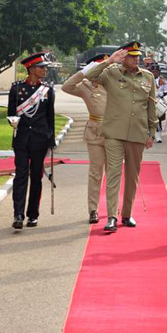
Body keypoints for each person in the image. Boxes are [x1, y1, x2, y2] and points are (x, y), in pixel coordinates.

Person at [84, 42, 157, 233]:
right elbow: (88, 75)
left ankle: (127, 214)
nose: (136, 59)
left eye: (138, 56)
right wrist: (108, 61)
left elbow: (151, 107)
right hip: (114, 133)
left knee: (132, 177)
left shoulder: (148, 77)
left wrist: (152, 133)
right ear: (123, 57)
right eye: (132, 56)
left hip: (137, 134)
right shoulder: (111, 73)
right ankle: (111, 217)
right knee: (114, 175)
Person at [7, 53, 56, 230]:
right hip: (21, 139)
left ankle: (32, 214)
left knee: (36, 177)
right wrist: (12, 121)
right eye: (41, 67)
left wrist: (51, 139)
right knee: (21, 176)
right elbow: (11, 113)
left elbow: (50, 118)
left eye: (44, 67)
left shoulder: (47, 91)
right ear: (31, 69)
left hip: (40, 139)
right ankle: (18, 214)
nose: (44, 70)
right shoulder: (16, 89)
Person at [62, 53, 109, 224]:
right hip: (95, 132)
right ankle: (93, 209)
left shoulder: (114, 83)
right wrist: (84, 72)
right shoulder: (85, 85)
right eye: (100, 66)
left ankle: (112, 209)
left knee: (113, 173)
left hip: (114, 133)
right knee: (96, 173)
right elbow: (66, 86)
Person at [151, 63, 167, 143]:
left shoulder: (163, 80)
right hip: (150, 100)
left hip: (159, 100)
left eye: (156, 71)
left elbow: (166, 91)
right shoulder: (148, 78)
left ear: (159, 72)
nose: (155, 73)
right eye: (153, 71)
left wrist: (161, 94)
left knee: (158, 119)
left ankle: (158, 136)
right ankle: (150, 135)